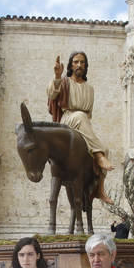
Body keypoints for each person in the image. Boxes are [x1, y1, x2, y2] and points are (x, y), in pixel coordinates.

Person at [47, 51, 114, 204]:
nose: (79, 65)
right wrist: (57, 77)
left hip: (83, 124)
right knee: (80, 116)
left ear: (86, 65)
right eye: (76, 62)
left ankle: (100, 189)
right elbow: (51, 95)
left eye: (82, 62)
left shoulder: (89, 88)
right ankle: (98, 156)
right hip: (67, 120)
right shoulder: (64, 82)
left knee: (107, 148)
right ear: (71, 64)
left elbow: (88, 114)